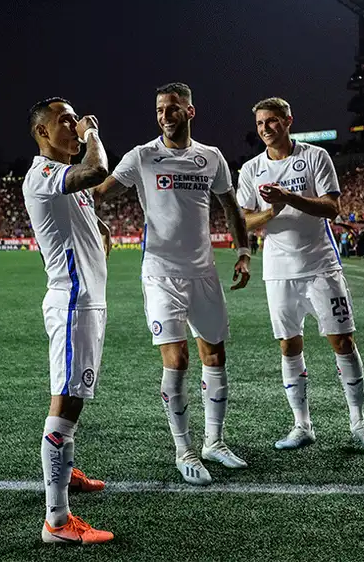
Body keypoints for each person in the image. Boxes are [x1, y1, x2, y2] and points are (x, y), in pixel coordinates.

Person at [93, 82, 252, 486]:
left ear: (190, 112)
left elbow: (230, 207)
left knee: (214, 356)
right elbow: (100, 193)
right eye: (160, 109)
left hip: (204, 272)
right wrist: (95, 219)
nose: (165, 115)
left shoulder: (211, 158)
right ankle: (185, 449)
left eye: (172, 108)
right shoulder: (142, 156)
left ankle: (215, 442)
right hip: (161, 274)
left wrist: (244, 252)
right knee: (177, 360)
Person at [236, 97, 364, 455]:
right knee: (289, 345)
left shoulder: (315, 157)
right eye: (260, 124)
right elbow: (244, 221)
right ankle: (302, 425)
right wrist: (272, 209)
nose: (265, 129)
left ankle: (359, 423)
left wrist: (290, 197)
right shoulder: (251, 170)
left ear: (288, 121)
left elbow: (332, 207)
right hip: (278, 273)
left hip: (321, 267)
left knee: (343, 342)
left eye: (272, 121)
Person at [23, 97, 114, 545]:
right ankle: (56, 522)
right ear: (43, 133)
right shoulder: (44, 174)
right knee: (67, 404)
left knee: (72, 396)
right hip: (73, 303)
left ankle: (66, 471)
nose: (74, 125)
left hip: (86, 301)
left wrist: (101, 237)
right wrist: (92, 133)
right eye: (65, 120)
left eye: (76, 119)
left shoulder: (65, 183)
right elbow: (98, 172)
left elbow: (86, 226)